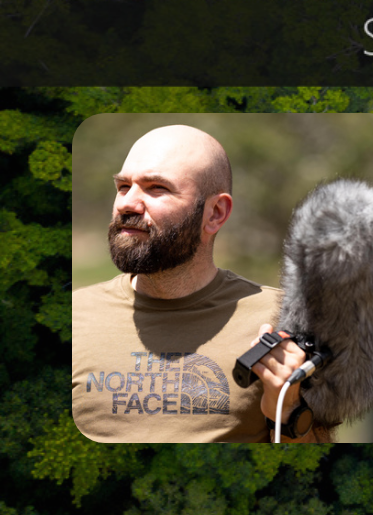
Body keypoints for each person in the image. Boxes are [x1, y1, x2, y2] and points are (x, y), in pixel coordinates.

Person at [71, 125, 327, 442]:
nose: (127, 203)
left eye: (156, 188)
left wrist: (286, 410)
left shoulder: (287, 323)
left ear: (215, 213)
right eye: (123, 186)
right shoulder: (73, 317)